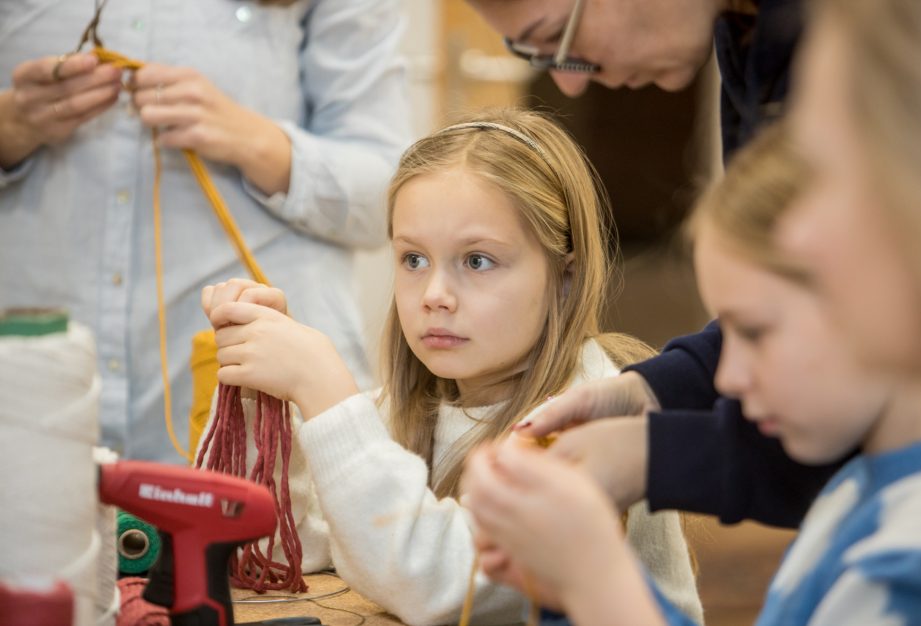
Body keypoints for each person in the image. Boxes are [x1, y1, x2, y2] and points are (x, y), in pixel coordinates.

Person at [199, 109, 703, 625]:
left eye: (477, 261)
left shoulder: (588, 417)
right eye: (413, 260)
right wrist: (262, 399)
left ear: (565, 277)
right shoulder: (411, 407)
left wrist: (324, 392)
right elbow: (288, 550)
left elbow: (444, 585)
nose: (435, 295)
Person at [462, 117, 921, 624]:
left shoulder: (911, 558)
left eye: (753, 332)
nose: (727, 378)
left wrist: (598, 579)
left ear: (892, 302)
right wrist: (566, 591)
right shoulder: (858, 492)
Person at [466, 0, 840, 529]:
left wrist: (650, 456)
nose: (571, 84)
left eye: (558, 35)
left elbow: (852, 370)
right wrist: (652, 391)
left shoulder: (851, 56)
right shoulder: (747, 36)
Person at [0, 0, 411, 461]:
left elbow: (388, 199)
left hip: (253, 401)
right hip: (29, 384)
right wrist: (9, 125)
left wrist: (256, 141)